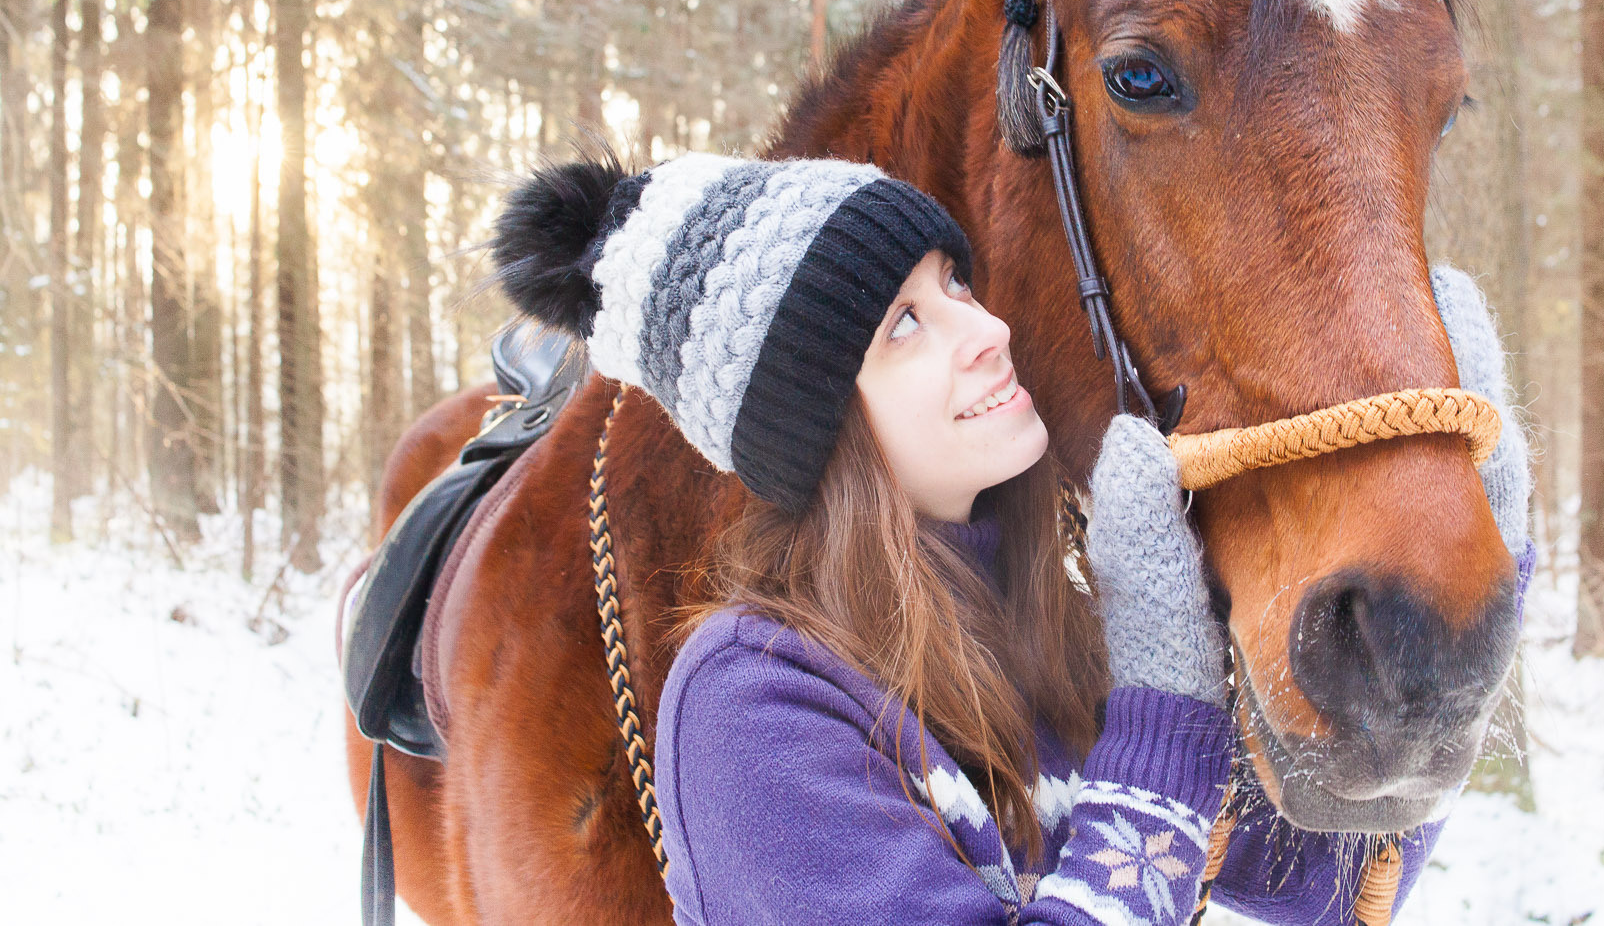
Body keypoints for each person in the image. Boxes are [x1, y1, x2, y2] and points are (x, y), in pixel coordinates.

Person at [491, 151, 1534, 926]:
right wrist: (1163, 703)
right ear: (814, 424)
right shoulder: (752, 704)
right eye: (902, 325)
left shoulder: (1042, 634)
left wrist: (1464, 579)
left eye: (954, 283)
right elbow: (1160, 807)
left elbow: (1316, 881)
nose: (983, 329)